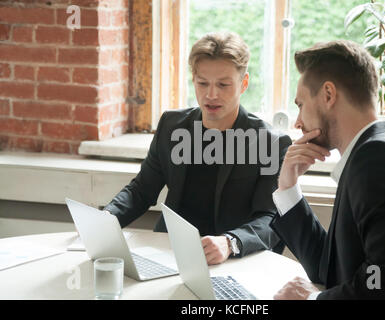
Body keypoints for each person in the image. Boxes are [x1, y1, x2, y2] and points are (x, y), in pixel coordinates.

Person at [271, 40, 385, 299]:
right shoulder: (370, 153)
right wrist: (288, 187)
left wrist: (310, 299)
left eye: (300, 105)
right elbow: (330, 269)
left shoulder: (379, 160)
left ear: (328, 95)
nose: (298, 122)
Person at [104, 32, 292, 265]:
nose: (211, 95)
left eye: (223, 85)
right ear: (194, 80)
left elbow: (270, 217)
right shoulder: (171, 126)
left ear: (243, 84)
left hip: (233, 260)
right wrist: (106, 219)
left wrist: (230, 242)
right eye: (203, 83)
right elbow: (141, 190)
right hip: (169, 253)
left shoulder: (270, 142)